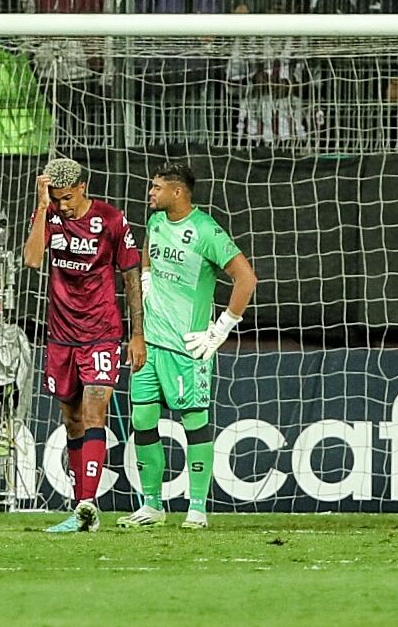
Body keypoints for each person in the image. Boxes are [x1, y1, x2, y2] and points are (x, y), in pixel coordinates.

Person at [118, 161, 257, 530]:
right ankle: (151, 505)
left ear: (177, 192)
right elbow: (148, 249)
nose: (150, 193)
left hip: (186, 347)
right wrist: (146, 279)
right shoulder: (156, 221)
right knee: (142, 419)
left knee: (194, 421)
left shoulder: (206, 231)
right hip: (149, 343)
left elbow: (246, 278)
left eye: (156, 187)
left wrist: (221, 328)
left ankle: (197, 507)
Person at [22, 157, 144, 533]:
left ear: (83, 187)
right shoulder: (49, 215)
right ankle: (81, 511)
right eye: (57, 199)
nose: (64, 206)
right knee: (72, 420)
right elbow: (31, 260)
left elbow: (131, 277)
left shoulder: (110, 219)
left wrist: (136, 333)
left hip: (101, 332)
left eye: (67, 198)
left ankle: (88, 504)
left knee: (94, 412)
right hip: (60, 335)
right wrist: (43, 207)